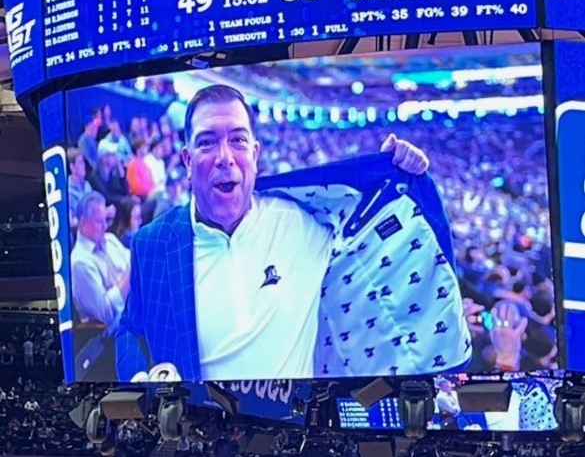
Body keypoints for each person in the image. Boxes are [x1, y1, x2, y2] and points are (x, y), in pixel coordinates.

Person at [116, 85, 465, 381]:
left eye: (238, 140)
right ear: (187, 160)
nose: (225, 157)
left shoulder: (303, 222)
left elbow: (375, 229)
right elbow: (129, 330)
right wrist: (138, 380)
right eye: (207, 142)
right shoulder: (153, 242)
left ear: (255, 154)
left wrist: (401, 170)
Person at [71, 191, 131, 330]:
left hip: (136, 311)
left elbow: (137, 262)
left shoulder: (110, 240)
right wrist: (129, 276)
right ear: (83, 223)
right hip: (114, 334)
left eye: (106, 220)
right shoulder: (80, 262)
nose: (105, 226)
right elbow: (106, 314)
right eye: (99, 221)